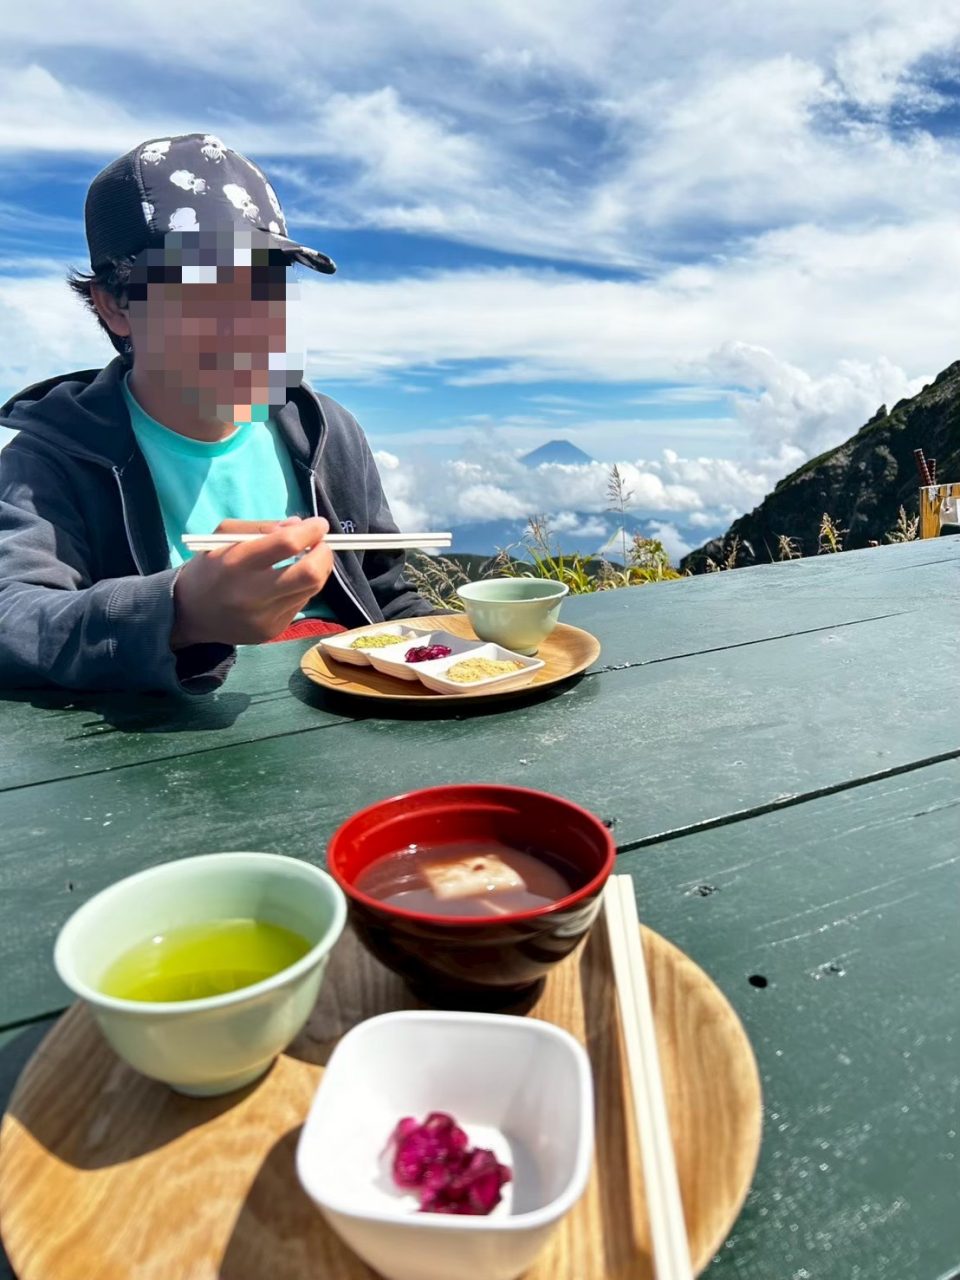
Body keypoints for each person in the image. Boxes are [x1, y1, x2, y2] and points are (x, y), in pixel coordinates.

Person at [0, 133, 435, 695]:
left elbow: (387, 596)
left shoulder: (325, 431)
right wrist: (179, 612)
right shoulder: (53, 457)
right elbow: (13, 615)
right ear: (116, 305)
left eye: (267, 281)